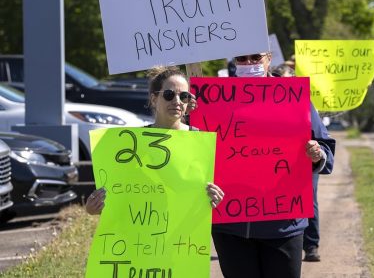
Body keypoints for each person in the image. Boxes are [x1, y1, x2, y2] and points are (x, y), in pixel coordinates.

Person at [211, 53, 335, 278]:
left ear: (268, 58)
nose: (249, 64)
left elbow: (326, 149)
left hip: (283, 225)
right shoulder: (214, 99)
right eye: (241, 58)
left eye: (255, 57)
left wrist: (316, 154)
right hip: (230, 226)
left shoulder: (294, 97)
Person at [85, 66, 224, 215]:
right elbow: (117, 193)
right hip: (142, 231)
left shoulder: (200, 141)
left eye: (183, 96)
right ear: (153, 99)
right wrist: (93, 207)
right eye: (169, 94)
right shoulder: (132, 142)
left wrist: (214, 198)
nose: (177, 101)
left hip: (185, 234)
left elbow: (208, 192)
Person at [272, 63, 323, 262]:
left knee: (308, 199)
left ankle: (311, 245)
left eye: (285, 81)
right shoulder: (261, 104)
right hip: (277, 166)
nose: (280, 85)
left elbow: (323, 141)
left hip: (303, 163)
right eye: (276, 79)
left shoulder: (304, 104)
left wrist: (317, 153)